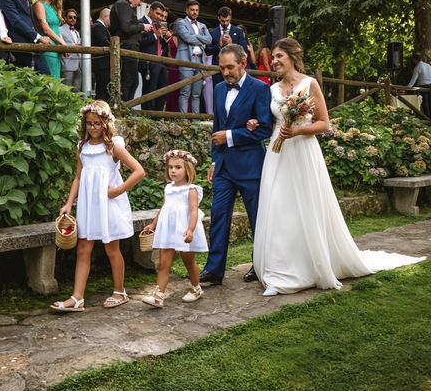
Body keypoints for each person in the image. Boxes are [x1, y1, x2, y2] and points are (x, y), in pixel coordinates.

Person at [253, 37, 424, 296]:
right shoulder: (273, 89)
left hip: (302, 151)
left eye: (279, 56)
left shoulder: (310, 84)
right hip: (278, 154)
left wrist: (298, 130)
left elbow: (324, 124)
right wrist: (255, 123)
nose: (274, 61)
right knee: (278, 206)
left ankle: (309, 267)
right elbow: (270, 121)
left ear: (292, 57)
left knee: (306, 207)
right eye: (273, 57)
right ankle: (279, 271)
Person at [51, 101, 145, 312]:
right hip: (88, 205)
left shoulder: (114, 147)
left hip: (108, 205)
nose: (92, 127)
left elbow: (139, 171)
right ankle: (77, 298)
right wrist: (68, 203)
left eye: (97, 123)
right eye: (89, 123)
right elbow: (77, 177)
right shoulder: (82, 147)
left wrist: (118, 190)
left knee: (112, 249)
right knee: (83, 248)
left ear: (106, 123)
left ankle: (120, 291)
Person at [199, 43, 272, 286]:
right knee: (219, 216)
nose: (226, 72)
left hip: (251, 167)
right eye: (222, 68)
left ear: (243, 63)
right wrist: (213, 161)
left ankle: (259, 263)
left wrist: (230, 136)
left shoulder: (260, 88)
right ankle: (214, 270)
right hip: (224, 168)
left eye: (230, 67)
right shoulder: (219, 89)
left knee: (256, 219)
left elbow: (264, 129)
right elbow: (216, 128)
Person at [141, 150, 208, 308]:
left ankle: (196, 288)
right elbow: (165, 207)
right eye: (170, 167)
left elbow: (193, 211)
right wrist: (154, 224)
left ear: (187, 169)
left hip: (184, 230)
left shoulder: (191, 190)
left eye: (178, 167)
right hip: (168, 231)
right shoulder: (168, 188)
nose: (173, 170)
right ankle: (159, 295)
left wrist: (190, 229)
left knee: (188, 261)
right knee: (164, 263)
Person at [0, 0, 50, 74]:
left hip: (31, 43)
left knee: (44, 78)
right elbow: (15, 20)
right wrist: (38, 37)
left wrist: (37, 38)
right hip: (20, 46)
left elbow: (29, 20)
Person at [109, 0, 152, 101]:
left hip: (128, 47)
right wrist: (142, 26)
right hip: (126, 47)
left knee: (133, 82)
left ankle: (126, 109)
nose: (140, 3)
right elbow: (127, 27)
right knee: (128, 81)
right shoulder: (123, 5)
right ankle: (123, 110)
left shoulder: (123, 5)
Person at [175, 0, 212, 114]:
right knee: (185, 92)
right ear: (187, 10)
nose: (195, 12)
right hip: (185, 59)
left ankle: (196, 121)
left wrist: (195, 36)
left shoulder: (202, 25)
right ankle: (183, 121)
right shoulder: (180, 23)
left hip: (200, 61)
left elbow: (210, 40)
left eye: (196, 10)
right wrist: (201, 38)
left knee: (196, 94)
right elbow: (187, 38)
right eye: (192, 10)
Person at [139, 1, 170, 111]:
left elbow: (162, 45)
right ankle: (147, 115)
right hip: (148, 63)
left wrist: (166, 38)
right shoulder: (140, 23)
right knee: (149, 90)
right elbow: (139, 42)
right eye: (158, 14)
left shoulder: (158, 25)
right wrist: (155, 35)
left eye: (162, 15)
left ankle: (158, 116)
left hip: (160, 62)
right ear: (151, 10)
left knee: (162, 90)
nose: (161, 17)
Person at [206, 6, 248, 86]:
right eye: (223, 21)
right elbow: (207, 51)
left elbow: (244, 49)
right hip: (217, 70)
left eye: (227, 21)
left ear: (231, 17)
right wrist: (218, 45)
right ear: (218, 18)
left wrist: (232, 44)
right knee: (218, 95)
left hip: (234, 70)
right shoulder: (212, 33)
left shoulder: (238, 31)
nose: (225, 23)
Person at [32, 0, 66, 79]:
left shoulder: (54, 9)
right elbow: (46, 29)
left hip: (57, 48)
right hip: (47, 47)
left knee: (56, 78)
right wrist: (63, 43)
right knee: (49, 79)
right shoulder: (39, 5)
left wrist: (64, 45)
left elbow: (56, 29)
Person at [91, 8, 111, 100]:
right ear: (105, 16)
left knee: (103, 90)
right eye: (111, 18)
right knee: (102, 90)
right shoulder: (98, 26)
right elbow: (104, 42)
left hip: (102, 65)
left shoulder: (98, 26)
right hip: (101, 65)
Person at [60, 8, 82, 91]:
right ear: (65, 18)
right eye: (70, 17)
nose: (73, 19)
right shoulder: (60, 30)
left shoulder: (76, 32)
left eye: (75, 17)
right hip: (67, 64)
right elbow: (59, 44)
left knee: (77, 90)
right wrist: (73, 46)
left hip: (78, 65)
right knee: (66, 90)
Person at [407, 52, 431, 117]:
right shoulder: (428, 65)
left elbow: (412, 82)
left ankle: (428, 119)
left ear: (414, 60)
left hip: (423, 87)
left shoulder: (417, 67)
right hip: (430, 86)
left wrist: (405, 89)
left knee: (425, 104)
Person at [166, 20, 181, 112]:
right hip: (173, 67)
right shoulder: (169, 39)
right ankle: (172, 112)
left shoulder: (184, 40)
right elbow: (168, 53)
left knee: (182, 91)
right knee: (172, 91)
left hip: (181, 67)